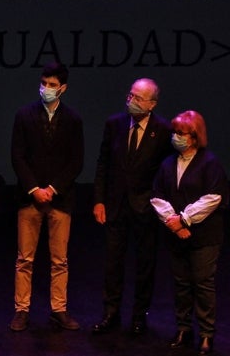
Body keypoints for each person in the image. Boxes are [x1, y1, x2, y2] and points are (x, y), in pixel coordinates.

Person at [92, 78, 173, 335]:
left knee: (144, 265)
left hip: (145, 208)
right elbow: (103, 163)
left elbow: (165, 172)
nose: (131, 101)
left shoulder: (162, 130)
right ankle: (110, 314)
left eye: (138, 98)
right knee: (113, 263)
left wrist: (157, 204)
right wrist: (99, 200)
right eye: (130, 95)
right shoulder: (114, 124)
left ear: (152, 104)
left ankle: (139, 317)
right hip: (116, 205)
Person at [9, 61, 84, 331]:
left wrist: (52, 189)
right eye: (44, 83)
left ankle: (59, 309)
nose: (46, 89)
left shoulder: (73, 119)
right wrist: (34, 189)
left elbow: (76, 161)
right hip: (29, 198)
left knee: (59, 260)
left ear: (62, 88)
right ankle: (21, 310)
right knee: (25, 258)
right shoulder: (24, 115)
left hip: (60, 200)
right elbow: (17, 156)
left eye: (52, 85)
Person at [150, 110, 228, 355]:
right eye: (174, 132)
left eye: (181, 133)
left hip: (204, 237)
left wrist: (184, 219)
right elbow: (157, 196)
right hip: (176, 236)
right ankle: (183, 328)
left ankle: (207, 334)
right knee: (181, 284)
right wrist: (173, 222)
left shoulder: (210, 163)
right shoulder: (167, 163)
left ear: (194, 137)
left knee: (203, 284)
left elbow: (213, 197)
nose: (175, 137)